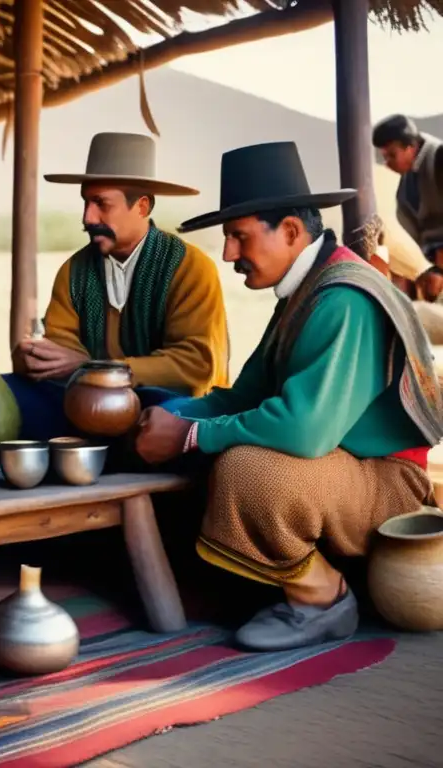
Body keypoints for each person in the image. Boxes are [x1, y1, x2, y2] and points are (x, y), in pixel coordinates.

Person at [134, 141, 443, 652]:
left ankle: (321, 597)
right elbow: (246, 396)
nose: (229, 253)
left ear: (293, 232)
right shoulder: (304, 291)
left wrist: (189, 435)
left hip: (387, 484)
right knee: (179, 419)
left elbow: (304, 429)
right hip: (340, 472)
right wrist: (169, 415)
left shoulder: (343, 298)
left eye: (239, 236)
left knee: (248, 470)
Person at [4, 132, 230, 441]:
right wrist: (35, 359)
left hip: (162, 403)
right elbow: (61, 350)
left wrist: (94, 368)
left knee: (170, 414)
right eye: (85, 202)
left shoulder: (190, 267)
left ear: (141, 206)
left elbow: (196, 365)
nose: (87, 217)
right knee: (6, 393)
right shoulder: (74, 271)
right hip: (87, 402)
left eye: (101, 204)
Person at [372, 115, 443, 331]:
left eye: (392, 155)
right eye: (384, 157)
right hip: (429, 271)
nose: (388, 163)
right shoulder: (405, 186)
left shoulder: (439, 159)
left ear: (411, 146)